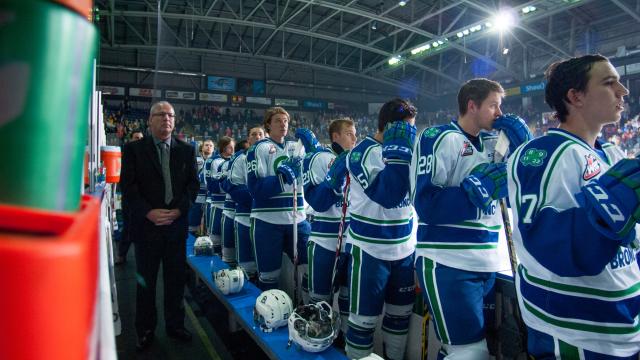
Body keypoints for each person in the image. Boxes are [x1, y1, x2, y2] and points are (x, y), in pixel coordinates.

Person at [507, 54, 640, 358]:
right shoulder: (544, 153)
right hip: (577, 331)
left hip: (624, 323)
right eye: (609, 83)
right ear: (575, 96)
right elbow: (550, 248)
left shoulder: (614, 152)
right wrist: (611, 211)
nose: (624, 90)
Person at [410, 78, 531, 358]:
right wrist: (476, 191)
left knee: (466, 351)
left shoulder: (496, 143)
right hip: (448, 262)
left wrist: (525, 150)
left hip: (488, 262)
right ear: (472, 105)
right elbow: (426, 205)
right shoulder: (438, 138)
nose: (500, 114)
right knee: (469, 353)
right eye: (493, 106)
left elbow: (522, 199)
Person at [120, 101, 199, 350]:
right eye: (161, 115)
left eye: (170, 115)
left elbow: (192, 187)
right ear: (150, 120)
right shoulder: (134, 150)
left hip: (176, 226)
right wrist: (149, 213)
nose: (166, 118)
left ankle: (175, 325)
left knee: (175, 281)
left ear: (174, 121)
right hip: (147, 227)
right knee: (146, 281)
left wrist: (178, 210)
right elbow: (129, 188)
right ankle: (144, 330)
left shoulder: (187, 150)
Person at [344, 98, 417, 360]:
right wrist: (397, 154)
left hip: (405, 248)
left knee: (400, 320)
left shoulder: (412, 150)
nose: (411, 134)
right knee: (362, 323)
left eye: (413, 128)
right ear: (388, 127)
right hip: (370, 250)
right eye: (406, 128)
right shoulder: (361, 152)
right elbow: (388, 195)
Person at [297, 118, 357, 340]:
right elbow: (319, 201)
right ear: (336, 136)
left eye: (355, 133)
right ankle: (316, 341)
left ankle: (342, 341)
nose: (355, 138)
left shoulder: (358, 159)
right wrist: (335, 178)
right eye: (349, 133)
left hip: (353, 241)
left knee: (349, 300)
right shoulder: (320, 157)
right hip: (325, 240)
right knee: (320, 303)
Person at [246, 107, 310, 297]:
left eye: (285, 121)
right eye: (278, 121)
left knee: (309, 270)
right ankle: (270, 314)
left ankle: (309, 314)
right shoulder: (259, 148)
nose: (283, 124)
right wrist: (282, 178)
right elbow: (255, 189)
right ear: (268, 125)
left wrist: (313, 148)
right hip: (267, 221)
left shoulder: (295, 148)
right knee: (269, 276)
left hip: (298, 220)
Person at [222, 127, 266, 278]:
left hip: (267, 220)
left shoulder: (274, 155)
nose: (258, 136)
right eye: (254, 134)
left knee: (266, 268)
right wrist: (259, 200)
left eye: (261, 134)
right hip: (245, 217)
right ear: (249, 139)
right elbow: (235, 188)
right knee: (246, 267)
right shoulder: (240, 158)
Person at [116, 130, 145, 265]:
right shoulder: (126, 153)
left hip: (144, 198)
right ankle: (122, 254)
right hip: (129, 198)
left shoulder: (148, 155)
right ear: (131, 139)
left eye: (140, 138)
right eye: (136, 137)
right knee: (128, 227)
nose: (138, 140)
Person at [219, 139, 249, 265]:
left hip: (248, 212)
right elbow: (222, 186)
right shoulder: (229, 163)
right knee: (231, 253)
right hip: (233, 210)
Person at [204, 136, 234, 254]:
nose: (232, 149)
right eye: (229, 147)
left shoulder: (235, 160)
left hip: (232, 204)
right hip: (218, 204)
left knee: (229, 240)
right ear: (223, 147)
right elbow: (211, 186)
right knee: (215, 238)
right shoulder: (212, 161)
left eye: (233, 146)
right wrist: (229, 186)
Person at [188, 139, 214, 234]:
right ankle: (192, 245)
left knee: (209, 226)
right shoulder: (195, 160)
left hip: (211, 198)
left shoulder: (216, 161)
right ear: (202, 147)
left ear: (214, 149)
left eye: (211, 146)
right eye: (206, 145)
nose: (208, 147)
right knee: (192, 225)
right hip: (197, 197)